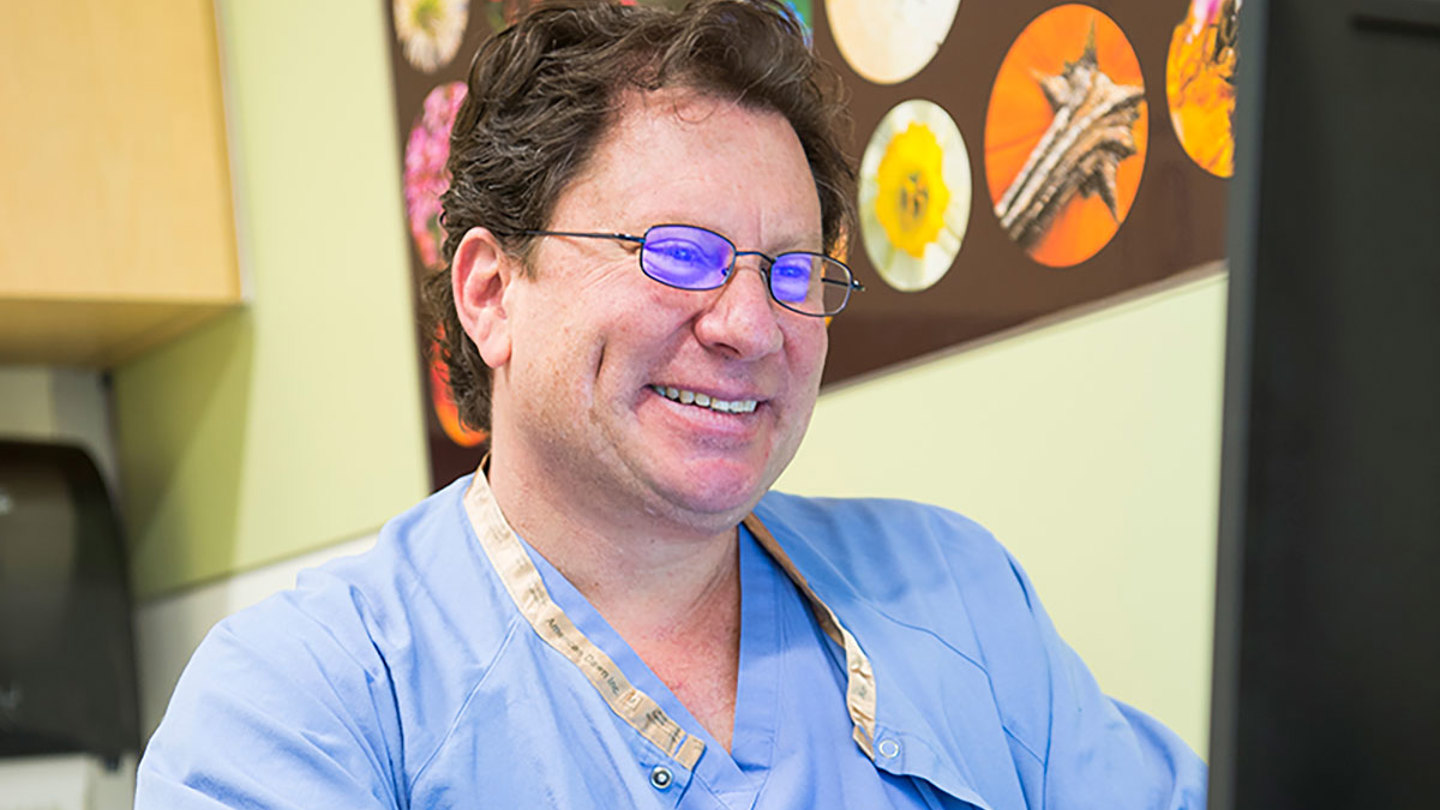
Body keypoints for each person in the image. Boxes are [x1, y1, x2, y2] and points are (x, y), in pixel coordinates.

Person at [135, 1, 1207, 807]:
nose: (750, 324)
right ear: (491, 293)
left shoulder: (954, 594)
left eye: (792, 271)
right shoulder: (309, 704)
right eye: (677, 254)